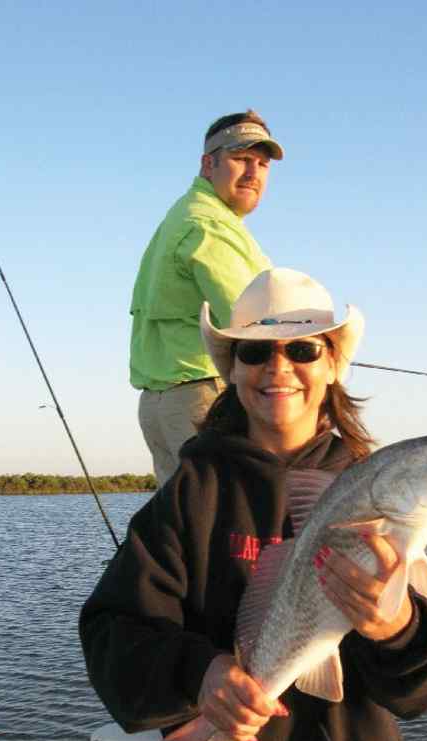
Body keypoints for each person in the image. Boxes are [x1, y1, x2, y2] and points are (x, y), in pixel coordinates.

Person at [80, 268, 427, 741]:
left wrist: (395, 627)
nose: (278, 368)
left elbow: (422, 685)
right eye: (256, 352)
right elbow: (111, 632)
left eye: (304, 348)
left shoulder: (372, 488)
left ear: (333, 363)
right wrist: (201, 673)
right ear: (232, 371)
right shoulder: (189, 493)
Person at [130, 109, 284, 485]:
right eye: (241, 159)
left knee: (189, 531)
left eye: (262, 164)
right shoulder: (208, 224)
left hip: (164, 403)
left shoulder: (185, 214)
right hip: (203, 402)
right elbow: (255, 324)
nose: (253, 174)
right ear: (208, 164)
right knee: (234, 528)